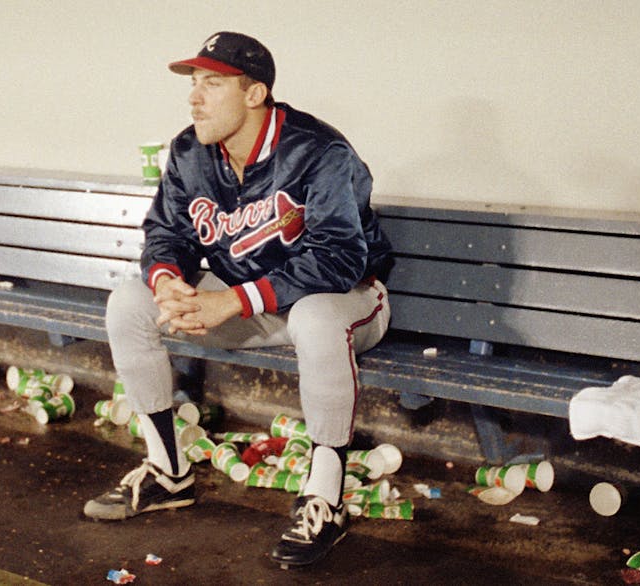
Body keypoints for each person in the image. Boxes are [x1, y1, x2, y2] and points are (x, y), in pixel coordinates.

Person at [83, 31, 394, 568]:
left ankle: (324, 497)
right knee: (129, 303)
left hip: (348, 302)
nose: (194, 97)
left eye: (212, 83)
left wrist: (230, 302)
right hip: (251, 306)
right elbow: (167, 234)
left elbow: (339, 260)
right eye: (193, 83)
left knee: (317, 316)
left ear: (254, 94)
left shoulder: (320, 152)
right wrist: (166, 282)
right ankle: (168, 472)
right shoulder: (189, 150)